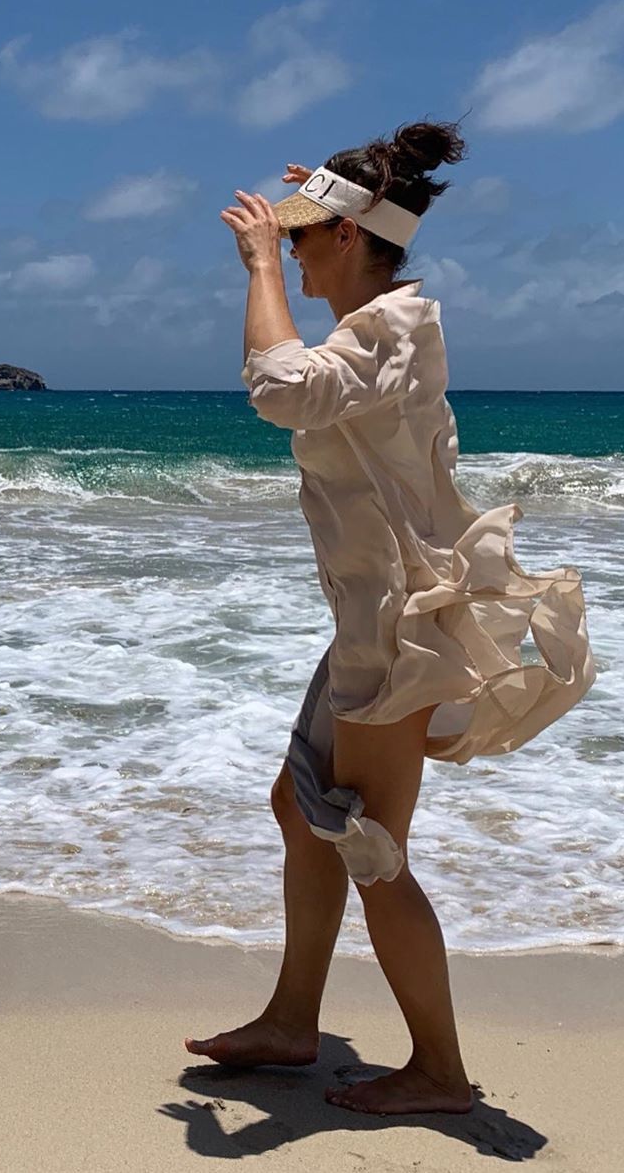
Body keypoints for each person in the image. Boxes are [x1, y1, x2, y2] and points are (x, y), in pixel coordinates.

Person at [184, 121, 597, 1116]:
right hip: (371, 621)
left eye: (303, 234)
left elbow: (280, 390)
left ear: (350, 238)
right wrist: (335, 191)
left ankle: (441, 1072)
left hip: (397, 632)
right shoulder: (380, 326)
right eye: (285, 238)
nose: (290, 249)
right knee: (302, 809)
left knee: (369, 846)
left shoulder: (388, 330)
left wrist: (259, 268)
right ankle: (293, 1021)